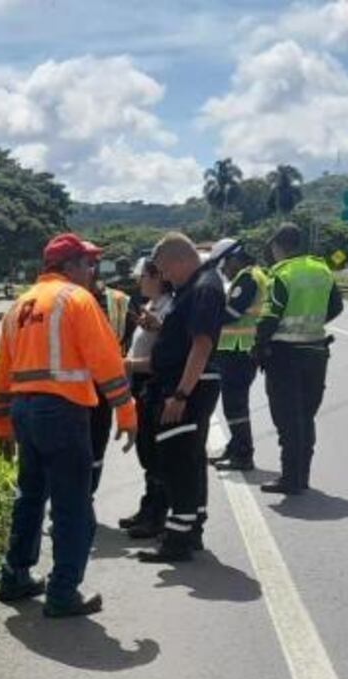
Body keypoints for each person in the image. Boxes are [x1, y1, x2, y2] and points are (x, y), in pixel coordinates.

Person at [0, 232, 137, 618]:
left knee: (30, 495)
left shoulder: (18, 306)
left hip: (24, 412)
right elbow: (107, 362)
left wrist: (1, 425)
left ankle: (15, 575)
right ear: (68, 266)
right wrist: (127, 411)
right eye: (87, 263)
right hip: (63, 413)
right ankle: (63, 591)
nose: (92, 271)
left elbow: (2, 372)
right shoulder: (77, 300)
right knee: (73, 504)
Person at [132, 232, 226, 562]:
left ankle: (178, 540)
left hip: (187, 387)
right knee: (188, 458)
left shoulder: (203, 288)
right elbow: (187, 337)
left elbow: (201, 345)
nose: (166, 278)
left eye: (166, 271)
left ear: (180, 259)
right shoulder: (198, 285)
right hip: (186, 384)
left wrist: (181, 394)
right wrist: (161, 328)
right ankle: (190, 528)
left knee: (178, 463)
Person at [253, 223, 344, 495]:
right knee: (306, 417)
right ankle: (301, 476)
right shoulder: (322, 269)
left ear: (278, 246)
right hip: (316, 354)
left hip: (285, 356)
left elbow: (269, 317)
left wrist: (258, 348)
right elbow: (337, 306)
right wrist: (314, 325)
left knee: (287, 419)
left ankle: (290, 479)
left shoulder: (282, 274)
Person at [118, 258, 172, 533]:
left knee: (154, 454)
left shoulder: (167, 308)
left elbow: (162, 357)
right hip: (139, 385)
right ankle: (148, 508)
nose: (140, 282)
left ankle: (156, 516)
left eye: (143, 277)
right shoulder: (151, 308)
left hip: (152, 383)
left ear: (157, 277)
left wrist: (127, 364)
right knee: (146, 452)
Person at [208, 238, 268, 472]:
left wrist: (206, 314)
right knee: (234, 403)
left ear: (232, 259)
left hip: (238, 349)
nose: (224, 272)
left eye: (224, 266)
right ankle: (235, 447)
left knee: (235, 404)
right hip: (242, 349)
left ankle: (243, 454)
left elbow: (232, 313)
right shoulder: (257, 274)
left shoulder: (247, 278)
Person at [88, 278, 132, 494]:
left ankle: (87, 496)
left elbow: (134, 336)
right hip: (70, 388)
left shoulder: (118, 300)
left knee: (97, 442)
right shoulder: (65, 300)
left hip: (103, 387)